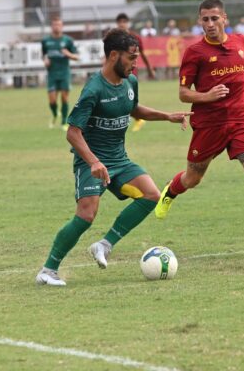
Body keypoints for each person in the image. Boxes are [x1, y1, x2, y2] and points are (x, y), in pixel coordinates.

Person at [35, 29, 192, 286]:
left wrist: (167, 116)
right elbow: (73, 133)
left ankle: (104, 245)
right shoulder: (94, 89)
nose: (135, 63)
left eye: (137, 57)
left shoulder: (130, 82)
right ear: (113, 56)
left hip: (119, 160)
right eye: (131, 57)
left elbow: (134, 108)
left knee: (152, 195)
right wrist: (94, 162)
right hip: (91, 161)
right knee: (86, 216)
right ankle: (48, 270)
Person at [154, 0, 244, 246]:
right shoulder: (195, 52)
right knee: (192, 178)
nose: (210, 24)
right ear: (200, 21)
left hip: (240, 120)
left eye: (214, 18)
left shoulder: (240, 41)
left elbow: (237, 70)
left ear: (224, 19)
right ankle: (170, 191)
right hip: (209, 125)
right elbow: (183, 93)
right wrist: (207, 96)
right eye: (205, 19)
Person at [115, 13, 155, 131]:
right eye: (120, 22)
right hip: (117, 71)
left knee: (128, 96)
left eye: (124, 22)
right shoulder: (115, 38)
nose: (122, 24)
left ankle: (137, 119)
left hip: (130, 71)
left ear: (128, 23)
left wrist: (150, 69)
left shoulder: (135, 37)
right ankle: (134, 119)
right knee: (119, 96)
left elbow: (143, 54)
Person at [41, 16, 80, 130]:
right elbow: (43, 54)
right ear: (51, 26)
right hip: (52, 74)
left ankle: (64, 122)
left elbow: (77, 57)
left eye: (59, 24)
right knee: (52, 100)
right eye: (54, 24)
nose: (56, 27)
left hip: (64, 73)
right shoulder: (46, 41)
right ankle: (54, 114)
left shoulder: (68, 40)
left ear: (62, 26)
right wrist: (45, 60)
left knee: (64, 98)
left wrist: (68, 54)